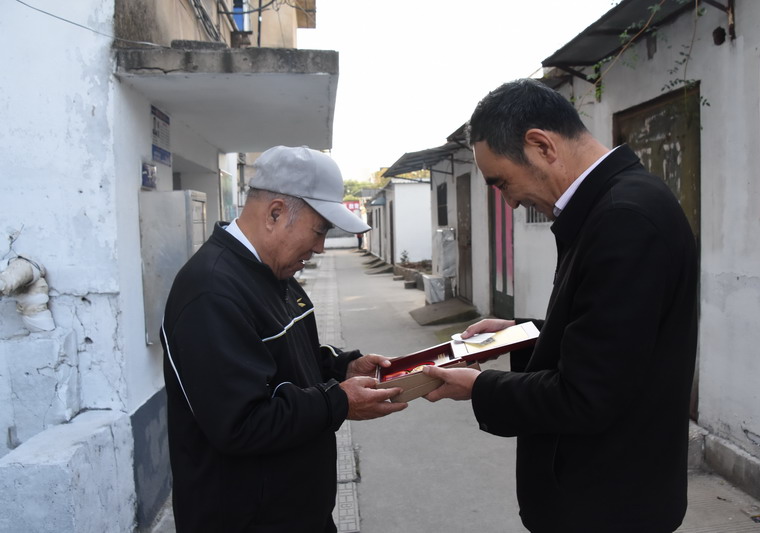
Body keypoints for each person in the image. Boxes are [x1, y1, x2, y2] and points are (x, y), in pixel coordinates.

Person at [423, 79, 698, 533]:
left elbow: (587, 394)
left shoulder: (623, 218)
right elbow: (611, 339)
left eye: (502, 183)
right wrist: (522, 333)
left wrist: (479, 386)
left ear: (541, 146)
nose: (510, 203)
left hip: (608, 504)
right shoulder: (614, 205)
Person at [160, 145, 408, 532]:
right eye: (319, 230)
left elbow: (291, 358)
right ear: (275, 213)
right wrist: (338, 401)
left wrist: (343, 367)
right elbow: (241, 423)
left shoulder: (276, 275)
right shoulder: (211, 292)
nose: (320, 246)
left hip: (299, 512)